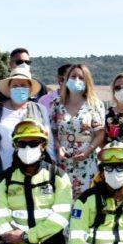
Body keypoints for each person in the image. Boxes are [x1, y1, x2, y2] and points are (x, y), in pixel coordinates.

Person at [0, 65, 53, 241]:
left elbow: (48, 142)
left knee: (30, 213)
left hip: (32, 173)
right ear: (9, 88)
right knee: (5, 216)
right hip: (3, 173)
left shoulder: (40, 110)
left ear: (30, 89)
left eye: (24, 85)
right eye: (15, 85)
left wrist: (55, 169)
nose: (20, 89)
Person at [49, 63, 106, 197]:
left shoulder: (95, 104)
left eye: (81, 78)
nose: (77, 80)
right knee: (63, 198)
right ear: (66, 78)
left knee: (86, 200)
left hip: (86, 160)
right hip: (63, 161)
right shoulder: (57, 104)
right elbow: (53, 132)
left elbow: (100, 133)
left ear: (87, 81)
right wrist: (58, 147)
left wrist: (88, 151)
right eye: (73, 76)